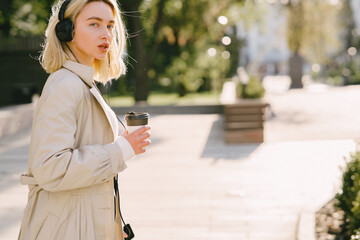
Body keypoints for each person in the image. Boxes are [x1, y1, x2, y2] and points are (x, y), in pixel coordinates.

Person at [18, 0, 151, 239]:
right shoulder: (64, 85)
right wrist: (120, 150)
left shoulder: (82, 82)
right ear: (67, 31)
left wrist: (109, 225)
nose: (106, 34)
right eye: (94, 24)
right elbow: (51, 167)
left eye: (110, 26)